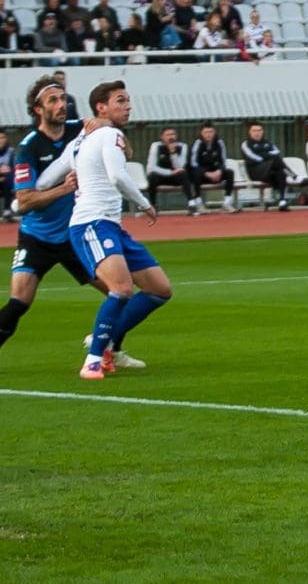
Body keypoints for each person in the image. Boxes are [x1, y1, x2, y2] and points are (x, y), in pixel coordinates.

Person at [35, 82, 172, 380]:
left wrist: (69, 181)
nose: (128, 106)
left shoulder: (80, 142)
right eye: (120, 100)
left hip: (109, 225)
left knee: (159, 289)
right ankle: (94, 359)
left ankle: (104, 340)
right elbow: (117, 175)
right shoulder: (110, 134)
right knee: (122, 288)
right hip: (92, 224)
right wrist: (145, 204)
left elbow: (44, 181)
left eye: (128, 100)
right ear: (101, 107)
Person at [0, 78, 111, 356]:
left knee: (119, 292)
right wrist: (65, 188)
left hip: (76, 236)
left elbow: (107, 128)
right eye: (53, 100)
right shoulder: (29, 148)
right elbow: (24, 202)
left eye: (63, 99)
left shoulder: (78, 130)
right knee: (20, 300)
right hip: (37, 238)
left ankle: (110, 348)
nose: (61, 105)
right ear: (38, 109)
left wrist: (102, 125)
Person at [146, 126, 202, 214]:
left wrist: (173, 153)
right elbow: (151, 167)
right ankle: (153, 205)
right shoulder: (156, 146)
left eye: (173, 134)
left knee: (183, 173)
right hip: (161, 176)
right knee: (152, 176)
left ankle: (191, 204)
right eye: (168, 135)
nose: (171, 137)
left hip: (175, 178)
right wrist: (170, 172)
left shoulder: (182, 146)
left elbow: (180, 166)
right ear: (162, 137)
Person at [241, 121, 293, 212]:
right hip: (255, 172)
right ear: (249, 132)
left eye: (259, 130)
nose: (257, 133)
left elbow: (277, 152)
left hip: (268, 171)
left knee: (280, 172)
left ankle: (282, 201)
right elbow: (255, 159)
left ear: (263, 131)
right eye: (254, 130)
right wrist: (268, 156)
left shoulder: (268, 143)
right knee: (276, 161)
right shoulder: (246, 144)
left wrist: (265, 156)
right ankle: (293, 176)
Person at [189, 122, 238, 213]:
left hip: (216, 172)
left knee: (230, 172)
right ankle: (199, 204)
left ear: (214, 132)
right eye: (206, 132)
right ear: (201, 133)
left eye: (210, 132)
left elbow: (223, 160)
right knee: (195, 174)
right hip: (202, 174)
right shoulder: (197, 143)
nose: (208, 134)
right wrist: (206, 173)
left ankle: (227, 203)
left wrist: (219, 171)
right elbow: (193, 163)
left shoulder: (220, 142)